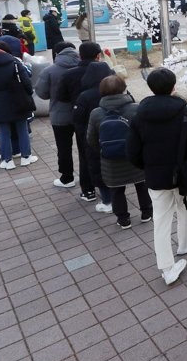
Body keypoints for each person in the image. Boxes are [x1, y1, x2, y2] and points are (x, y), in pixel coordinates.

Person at [126, 68, 187, 286]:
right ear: (174, 87)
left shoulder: (138, 116)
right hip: (184, 174)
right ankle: (184, 243)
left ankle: (166, 267)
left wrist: (148, 167)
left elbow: (132, 153)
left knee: (161, 221)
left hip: (155, 177)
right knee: (186, 207)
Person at [88, 75, 153, 229]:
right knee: (142, 186)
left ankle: (123, 220)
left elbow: (91, 139)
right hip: (135, 158)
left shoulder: (96, 113)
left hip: (111, 162)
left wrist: (104, 151)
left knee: (116, 191)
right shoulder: (136, 108)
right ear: (124, 89)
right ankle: (146, 213)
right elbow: (146, 134)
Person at [0, 40, 37, 170]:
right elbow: (26, 82)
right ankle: (26, 157)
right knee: (22, 130)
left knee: (4, 132)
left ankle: (7, 160)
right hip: (18, 101)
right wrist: (28, 94)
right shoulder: (15, 63)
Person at [56, 42, 104, 202]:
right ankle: (110, 188)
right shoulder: (106, 72)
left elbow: (61, 97)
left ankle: (88, 190)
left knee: (85, 155)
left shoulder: (69, 74)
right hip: (106, 116)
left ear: (80, 56)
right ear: (98, 56)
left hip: (82, 120)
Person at [34, 41, 80, 187]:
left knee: (64, 147)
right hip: (82, 113)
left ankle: (67, 178)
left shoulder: (49, 70)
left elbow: (41, 93)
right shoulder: (85, 67)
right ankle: (89, 180)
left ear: (56, 53)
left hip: (60, 115)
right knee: (86, 147)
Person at [73, 61, 116, 213]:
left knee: (98, 168)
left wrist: (85, 135)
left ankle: (107, 201)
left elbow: (77, 120)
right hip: (117, 136)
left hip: (94, 138)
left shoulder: (84, 96)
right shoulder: (120, 93)